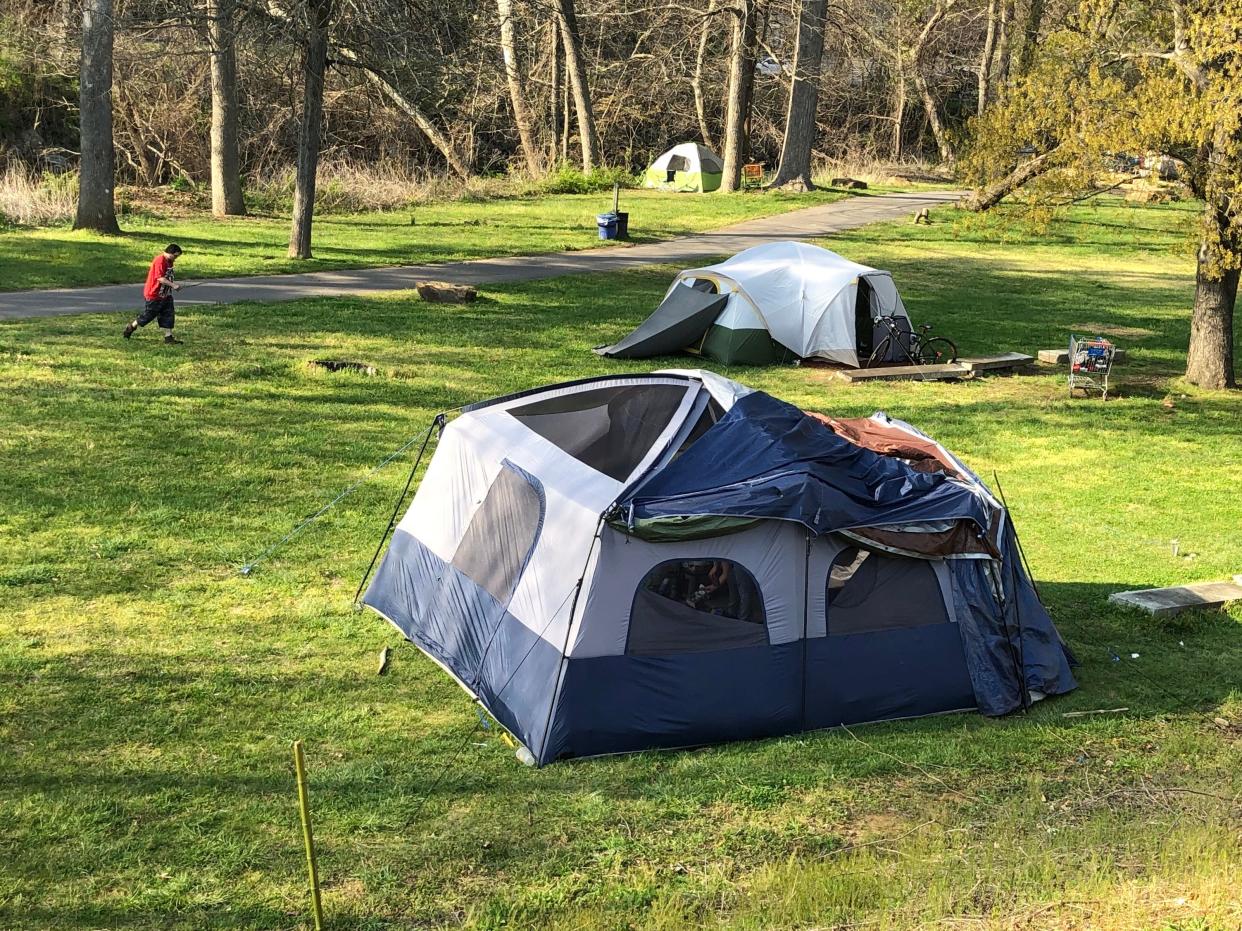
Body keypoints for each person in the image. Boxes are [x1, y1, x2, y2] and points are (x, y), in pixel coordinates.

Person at [124, 244, 184, 344]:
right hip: (154, 294)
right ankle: (131, 326)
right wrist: (173, 285)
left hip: (165, 294)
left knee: (168, 314)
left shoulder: (170, 261)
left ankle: (168, 337)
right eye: (175, 256)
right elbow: (160, 278)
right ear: (169, 253)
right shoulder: (160, 260)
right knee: (148, 315)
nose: (175, 259)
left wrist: (172, 286)